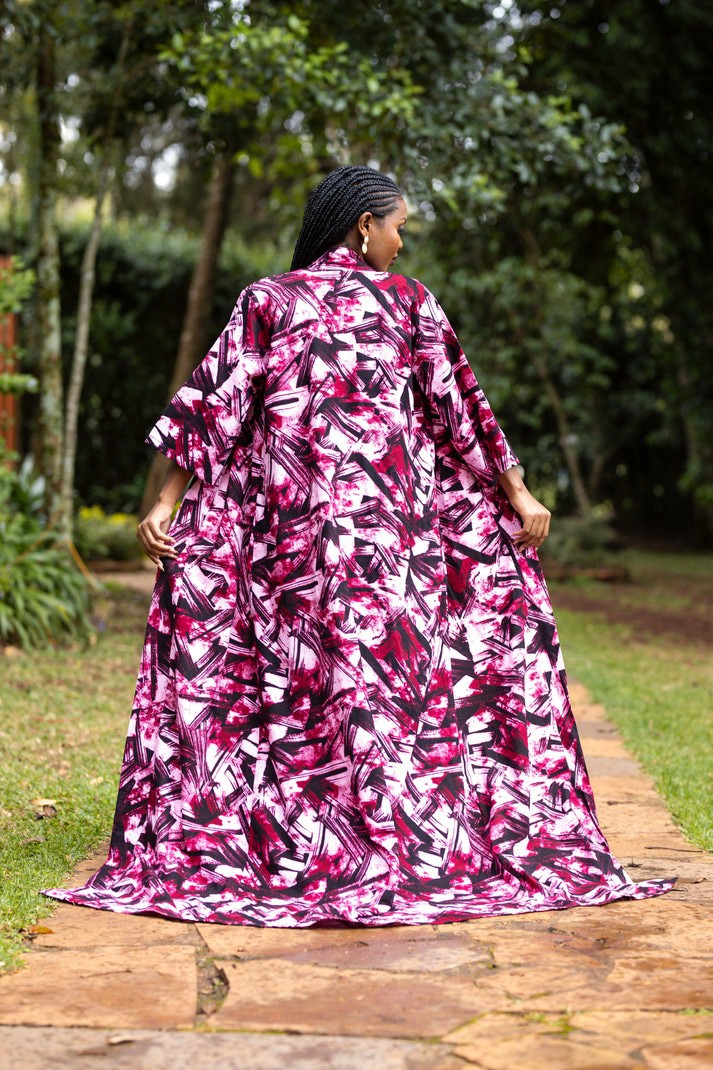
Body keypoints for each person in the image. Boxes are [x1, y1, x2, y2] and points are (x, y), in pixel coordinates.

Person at [45, 166, 674, 926]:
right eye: (398, 226)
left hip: (290, 547)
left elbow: (215, 406)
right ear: (363, 225)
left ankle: (316, 836)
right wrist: (515, 491)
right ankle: (390, 834)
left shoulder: (270, 301)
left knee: (298, 688)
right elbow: (461, 409)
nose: (402, 242)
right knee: (384, 685)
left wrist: (166, 501)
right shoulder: (402, 302)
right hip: (389, 547)